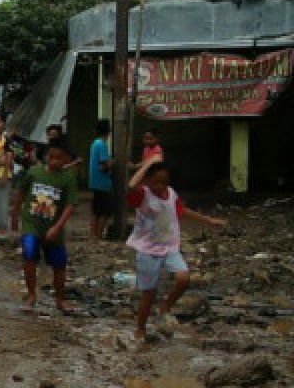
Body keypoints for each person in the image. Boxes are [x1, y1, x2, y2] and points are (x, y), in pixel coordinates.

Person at [127, 156, 225, 342]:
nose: (160, 186)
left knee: (183, 278)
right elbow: (131, 186)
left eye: (164, 182)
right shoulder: (142, 195)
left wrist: (208, 221)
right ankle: (140, 327)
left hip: (169, 247)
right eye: (155, 182)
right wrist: (147, 164)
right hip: (148, 249)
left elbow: (182, 211)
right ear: (147, 181)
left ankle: (165, 305)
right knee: (149, 293)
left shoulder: (171, 194)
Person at [12, 141, 79, 312]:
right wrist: (15, 214)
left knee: (59, 264)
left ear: (66, 159)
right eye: (51, 157)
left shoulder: (68, 178)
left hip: (53, 226)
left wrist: (57, 226)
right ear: (46, 157)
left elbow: (70, 205)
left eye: (59, 158)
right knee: (29, 255)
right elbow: (20, 191)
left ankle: (60, 299)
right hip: (31, 223)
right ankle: (31, 294)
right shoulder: (34, 173)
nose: (55, 161)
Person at [88, 119, 114, 241]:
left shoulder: (95, 143)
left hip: (95, 181)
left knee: (96, 210)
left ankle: (93, 234)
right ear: (108, 131)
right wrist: (113, 162)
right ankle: (98, 234)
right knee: (105, 211)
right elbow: (104, 164)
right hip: (103, 182)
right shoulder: (102, 145)